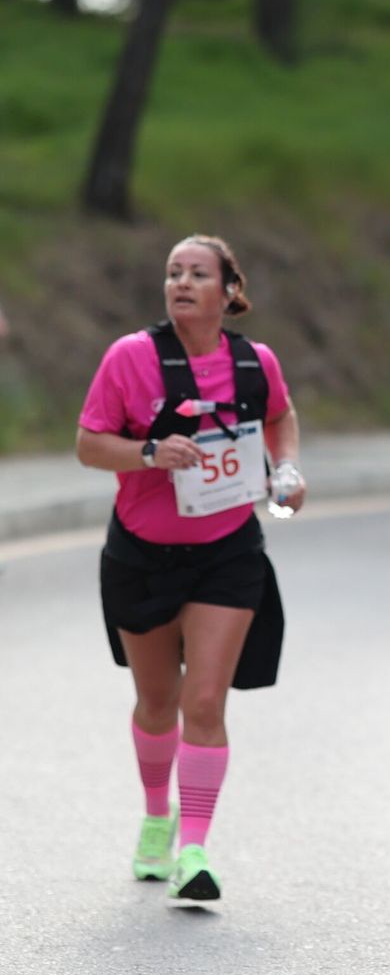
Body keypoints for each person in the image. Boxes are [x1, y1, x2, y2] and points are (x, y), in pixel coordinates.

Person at [76, 235, 305, 903]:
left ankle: (195, 849)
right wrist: (148, 453)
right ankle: (156, 818)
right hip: (142, 553)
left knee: (205, 702)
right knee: (157, 703)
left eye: (197, 274)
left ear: (228, 291)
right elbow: (90, 445)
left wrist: (285, 468)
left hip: (227, 551)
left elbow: (280, 416)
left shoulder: (255, 362)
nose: (181, 283)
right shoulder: (130, 358)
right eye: (173, 272)